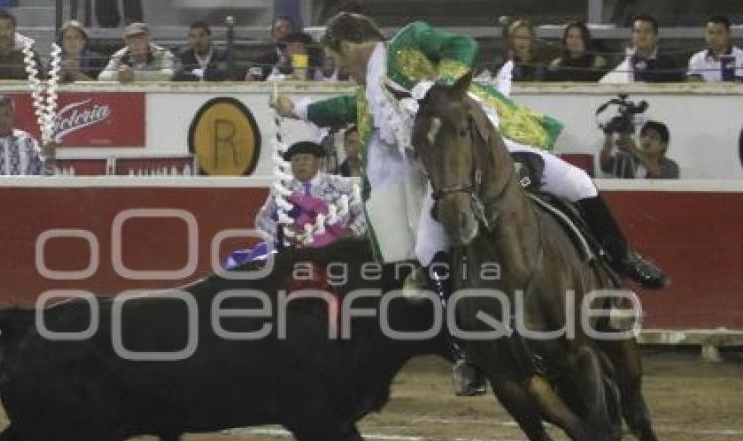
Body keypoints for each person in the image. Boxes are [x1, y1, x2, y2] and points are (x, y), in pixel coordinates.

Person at [274, 13, 668, 396]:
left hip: (487, 148)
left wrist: (445, 87)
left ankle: (621, 263)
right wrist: (299, 109)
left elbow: (461, 45)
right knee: (427, 250)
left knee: (577, 181)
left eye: (336, 59)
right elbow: (348, 109)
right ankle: (467, 349)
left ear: (346, 45)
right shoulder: (369, 92)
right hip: (447, 178)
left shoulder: (409, 41)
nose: (339, 67)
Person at [255, 140, 366, 248]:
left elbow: (364, 214)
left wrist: (351, 232)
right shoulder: (283, 190)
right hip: (297, 250)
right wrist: (284, 233)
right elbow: (262, 219)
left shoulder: (341, 185)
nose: (301, 164)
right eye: (296, 160)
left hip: (337, 248)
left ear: (319, 162)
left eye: (306, 159)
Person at [601, 14, 684, 83]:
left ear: (656, 36)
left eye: (647, 31)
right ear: (632, 36)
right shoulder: (619, 59)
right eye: (637, 31)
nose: (642, 36)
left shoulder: (668, 63)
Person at [0, 9, 42, 81]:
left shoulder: (30, 54)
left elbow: (40, 84)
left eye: (8, 28)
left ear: (14, 29)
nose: (3, 33)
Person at [599, 120, 680, 179]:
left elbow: (657, 174)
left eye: (654, 137)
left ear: (663, 145)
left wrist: (634, 150)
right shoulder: (628, 160)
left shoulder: (671, 166)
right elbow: (605, 166)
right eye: (644, 135)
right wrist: (608, 137)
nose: (647, 139)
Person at [98, 22, 175, 82]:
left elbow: (168, 75)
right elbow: (102, 77)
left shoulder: (162, 54)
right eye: (132, 40)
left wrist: (134, 75)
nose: (136, 44)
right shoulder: (120, 55)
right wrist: (119, 75)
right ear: (126, 42)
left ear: (148, 40)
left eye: (140, 39)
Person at [687, 15, 743, 82]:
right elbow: (694, 85)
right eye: (710, 33)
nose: (714, 37)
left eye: (719, 33)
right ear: (705, 34)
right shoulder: (697, 58)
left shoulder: (741, 57)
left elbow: (737, 85)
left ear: (729, 33)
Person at [245, 15, 294, 81]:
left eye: (287, 28)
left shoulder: (303, 55)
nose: (284, 31)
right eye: (279, 29)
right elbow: (252, 79)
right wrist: (252, 76)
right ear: (272, 34)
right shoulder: (261, 59)